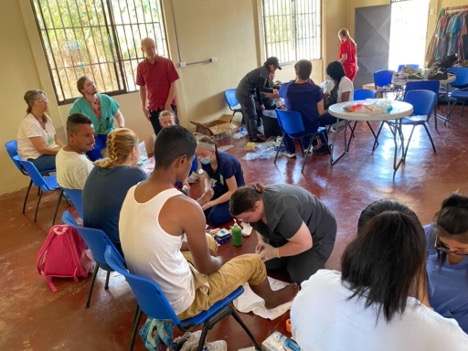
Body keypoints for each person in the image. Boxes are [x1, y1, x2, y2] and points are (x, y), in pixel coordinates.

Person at [119, 126, 297, 320]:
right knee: (253, 262)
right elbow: (205, 267)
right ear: (181, 161)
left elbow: (160, 241)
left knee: (208, 240)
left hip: (150, 295)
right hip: (182, 302)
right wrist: (218, 263)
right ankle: (270, 299)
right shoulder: (185, 206)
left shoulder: (132, 192)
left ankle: (214, 271)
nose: (195, 163)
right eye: (193, 158)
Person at [290, 199, 468, 350]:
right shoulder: (444, 338)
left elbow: (299, 332)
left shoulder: (316, 284)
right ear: (417, 259)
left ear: (359, 245)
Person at [230, 183, 336, 284]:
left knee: (299, 275)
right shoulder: (256, 198)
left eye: (247, 218)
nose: (246, 222)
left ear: (256, 206)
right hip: (294, 231)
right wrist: (261, 240)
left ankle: (299, 255)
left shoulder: (283, 210)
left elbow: (306, 243)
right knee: (263, 262)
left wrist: (275, 252)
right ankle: (291, 251)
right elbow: (257, 225)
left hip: (318, 235)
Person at [82, 128, 147, 254]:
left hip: (98, 247)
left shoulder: (97, 167)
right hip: (118, 249)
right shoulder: (136, 175)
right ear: (134, 150)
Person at [424, 194, 468, 333]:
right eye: (445, 245)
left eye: (461, 249)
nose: (452, 251)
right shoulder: (429, 235)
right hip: (428, 317)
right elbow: (412, 270)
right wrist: (424, 307)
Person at [278, 60, 327, 157]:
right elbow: (321, 112)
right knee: (307, 116)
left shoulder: (287, 88)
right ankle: (306, 147)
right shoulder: (316, 89)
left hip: (292, 129)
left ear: (296, 72)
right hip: (311, 128)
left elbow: (280, 91)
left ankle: (290, 151)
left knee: (283, 121)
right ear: (309, 73)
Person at [69, 76, 125, 161]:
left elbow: (119, 116)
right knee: (94, 152)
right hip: (93, 137)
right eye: (89, 85)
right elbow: (72, 125)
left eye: (93, 83)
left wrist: (121, 128)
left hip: (110, 132)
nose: (93, 85)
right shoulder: (78, 105)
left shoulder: (106, 99)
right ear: (82, 90)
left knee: (122, 145)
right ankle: (105, 171)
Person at [196, 136, 244, 226]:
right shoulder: (205, 160)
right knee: (201, 211)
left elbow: (232, 191)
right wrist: (207, 188)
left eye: (203, 154)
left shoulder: (226, 163)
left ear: (213, 151)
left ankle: (239, 205)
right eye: (198, 154)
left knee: (214, 218)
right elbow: (208, 177)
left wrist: (211, 203)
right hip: (222, 186)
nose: (200, 157)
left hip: (236, 191)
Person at [137, 37, 179, 136]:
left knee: (176, 134)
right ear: (142, 50)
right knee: (160, 136)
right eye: (148, 48)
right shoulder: (141, 67)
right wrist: (143, 107)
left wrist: (168, 104)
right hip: (153, 108)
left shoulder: (166, 62)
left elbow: (173, 85)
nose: (151, 50)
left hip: (169, 105)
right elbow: (142, 88)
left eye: (153, 47)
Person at [236, 57, 281, 142]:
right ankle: (254, 137)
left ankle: (252, 135)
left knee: (248, 115)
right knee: (252, 116)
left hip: (242, 92)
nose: (275, 70)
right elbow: (261, 88)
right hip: (245, 93)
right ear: (270, 65)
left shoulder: (263, 70)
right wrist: (272, 90)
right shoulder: (264, 71)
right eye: (275, 67)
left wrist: (261, 103)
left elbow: (257, 88)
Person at [17, 90, 64, 171]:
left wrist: (65, 148)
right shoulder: (30, 123)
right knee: (68, 159)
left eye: (45, 100)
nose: (45, 103)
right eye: (41, 101)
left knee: (74, 154)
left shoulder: (46, 118)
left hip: (46, 153)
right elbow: (41, 149)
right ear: (32, 104)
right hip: (34, 159)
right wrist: (63, 152)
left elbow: (56, 139)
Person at [56, 113, 95, 190]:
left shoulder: (61, 152)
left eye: (93, 134)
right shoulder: (82, 165)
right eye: (87, 135)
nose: (93, 139)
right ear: (71, 135)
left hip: (76, 200)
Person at [319, 61, 354, 128]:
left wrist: (326, 111)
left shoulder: (345, 82)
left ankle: (322, 136)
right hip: (333, 108)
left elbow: (344, 103)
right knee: (315, 114)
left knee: (321, 119)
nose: (328, 76)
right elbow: (326, 94)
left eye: (329, 74)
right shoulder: (332, 82)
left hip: (342, 111)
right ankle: (319, 135)